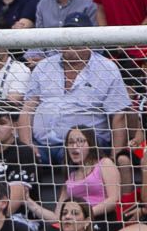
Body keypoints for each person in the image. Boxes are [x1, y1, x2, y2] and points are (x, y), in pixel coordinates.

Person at [19, 17, 132, 164]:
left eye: (76, 36)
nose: (70, 40)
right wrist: (27, 145)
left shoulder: (107, 69)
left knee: (76, 153)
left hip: (86, 145)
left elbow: (118, 116)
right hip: (41, 144)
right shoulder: (43, 66)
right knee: (17, 157)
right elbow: (27, 109)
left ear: (89, 42)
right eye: (66, 35)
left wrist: (113, 158)